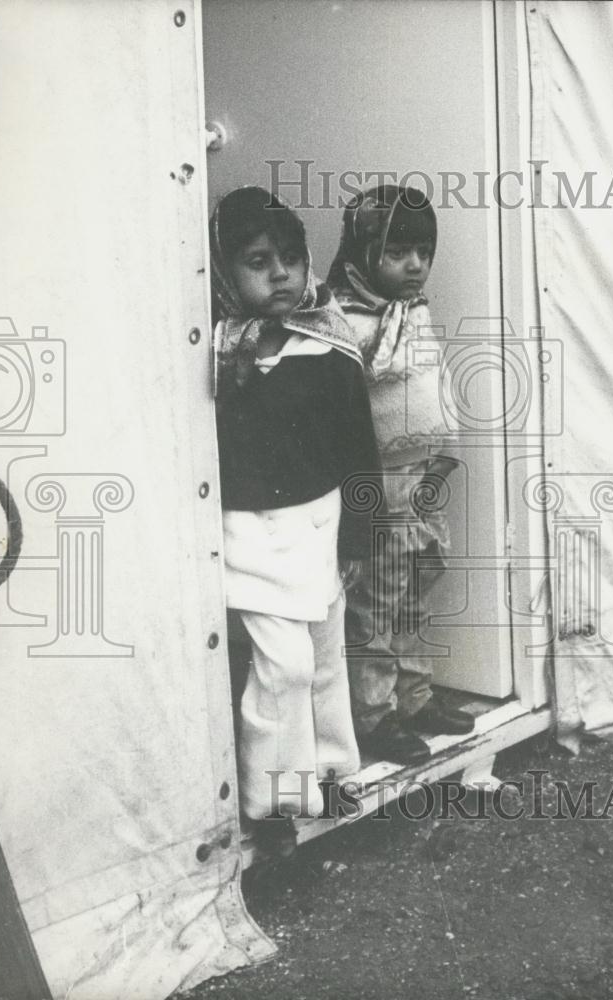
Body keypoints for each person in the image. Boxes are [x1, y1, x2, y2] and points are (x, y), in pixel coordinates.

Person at [211, 186, 381, 855]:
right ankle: (275, 799)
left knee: (325, 657)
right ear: (226, 273)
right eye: (257, 261)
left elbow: (357, 450)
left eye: (289, 257)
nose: (279, 274)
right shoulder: (220, 357)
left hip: (319, 527)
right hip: (249, 535)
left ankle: (335, 770)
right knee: (281, 666)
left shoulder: (327, 347)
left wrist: (361, 531)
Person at [327, 184, 474, 766]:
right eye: (397, 252)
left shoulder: (414, 312)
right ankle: (375, 716)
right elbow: (342, 412)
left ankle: (416, 698)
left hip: (423, 477)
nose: (415, 265)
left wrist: (445, 448)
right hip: (380, 483)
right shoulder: (345, 321)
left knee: (416, 593)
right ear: (363, 253)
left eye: (424, 251)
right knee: (376, 604)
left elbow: (430, 383)